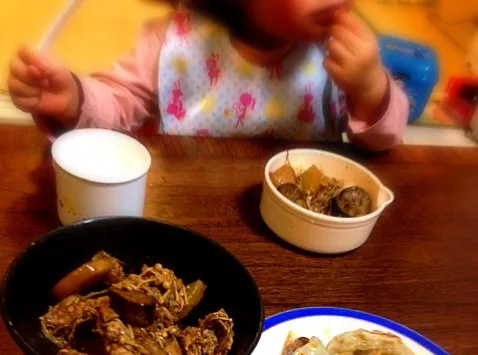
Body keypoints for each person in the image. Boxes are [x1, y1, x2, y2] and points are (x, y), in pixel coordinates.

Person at [7, 0, 409, 149]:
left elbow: (384, 140)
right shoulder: (175, 43)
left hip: (306, 234)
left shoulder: (337, 53)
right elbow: (120, 107)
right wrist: (75, 99)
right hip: (187, 219)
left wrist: (370, 88)